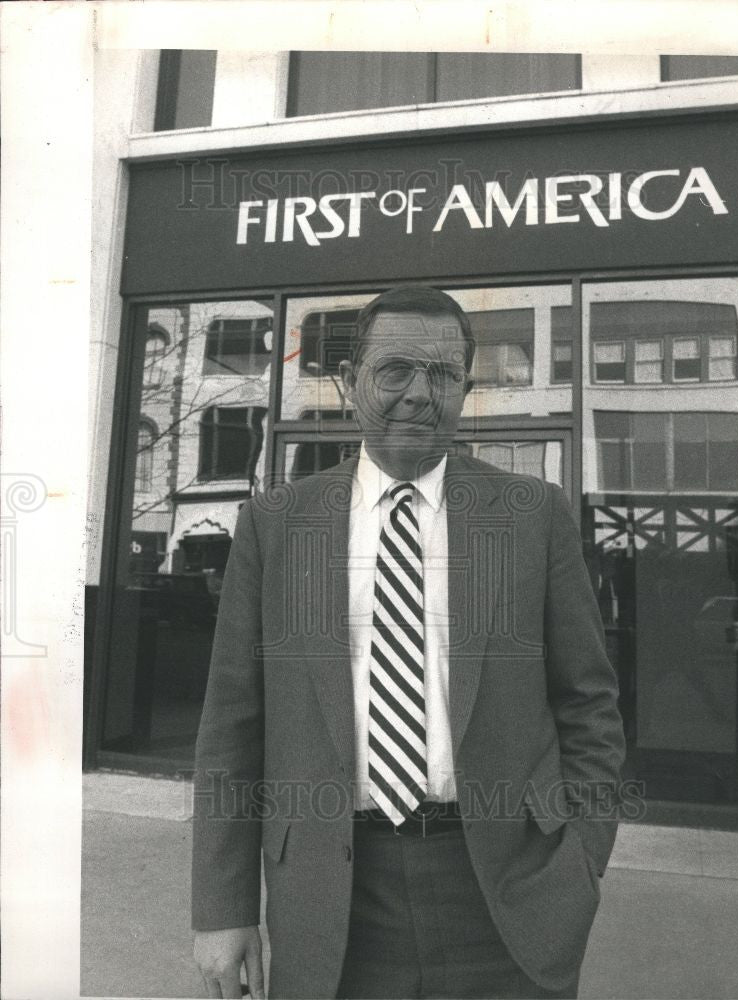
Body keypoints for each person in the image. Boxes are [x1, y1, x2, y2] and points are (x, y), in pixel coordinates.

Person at [192, 285, 626, 999]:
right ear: (350, 379)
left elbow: (588, 704)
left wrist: (581, 860)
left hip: (507, 892)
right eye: (394, 370)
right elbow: (232, 727)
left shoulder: (530, 516)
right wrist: (221, 908)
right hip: (330, 898)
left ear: (462, 388)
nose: (419, 394)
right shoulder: (276, 525)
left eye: (444, 375)